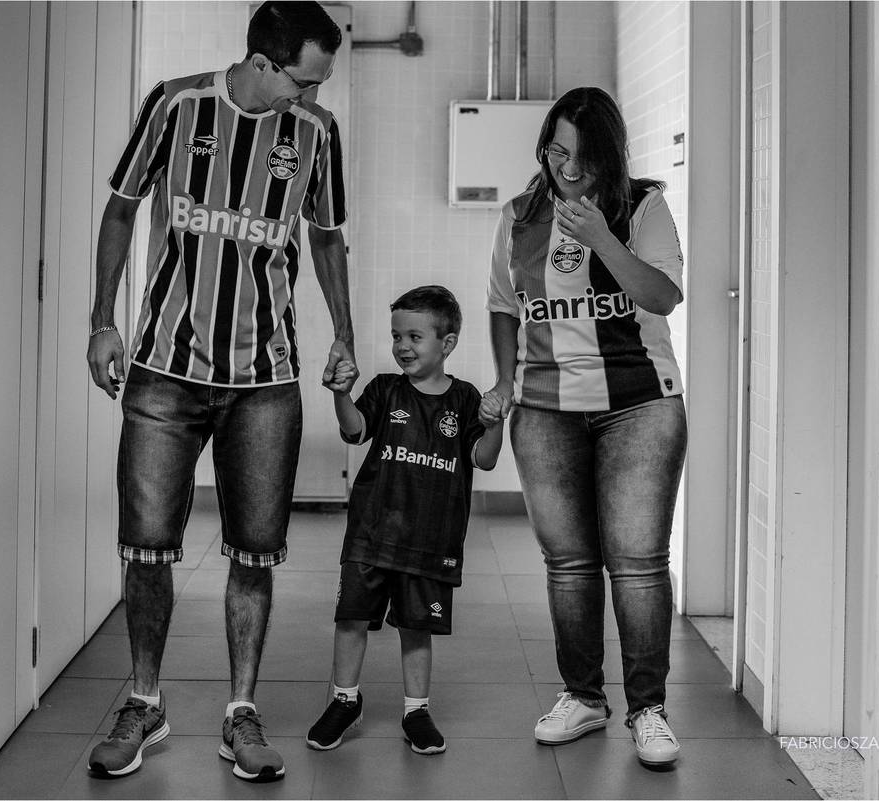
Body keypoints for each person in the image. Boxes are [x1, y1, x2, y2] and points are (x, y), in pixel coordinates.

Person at [84, 1, 354, 783]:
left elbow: (327, 236)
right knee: (146, 544)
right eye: (305, 82)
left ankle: (241, 710)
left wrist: (343, 332)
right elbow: (123, 206)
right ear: (265, 64)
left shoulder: (316, 134)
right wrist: (102, 322)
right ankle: (144, 700)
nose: (313, 96)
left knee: (255, 552)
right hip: (164, 370)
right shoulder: (176, 103)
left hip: (265, 379)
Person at [486, 87, 687, 767]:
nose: (567, 169)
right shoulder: (519, 216)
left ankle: (648, 709)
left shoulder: (644, 205)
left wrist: (602, 234)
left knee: (636, 563)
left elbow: (662, 295)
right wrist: (504, 381)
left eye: (582, 155)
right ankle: (583, 697)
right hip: (544, 410)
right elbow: (501, 305)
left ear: (609, 154)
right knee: (569, 565)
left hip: (640, 405)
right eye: (556, 151)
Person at [304, 286, 506, 756]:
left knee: (417, 628)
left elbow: (484, 459)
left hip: (430, 540)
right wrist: (341, 395)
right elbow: (355, 430)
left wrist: (496, 424)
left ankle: (416, 710)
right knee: (351, 617)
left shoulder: (464, 399)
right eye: (397, 336)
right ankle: (344, 701)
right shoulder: (384, 388)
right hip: (371, 533)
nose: (402, 346)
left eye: (415, 336)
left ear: (447, 343)